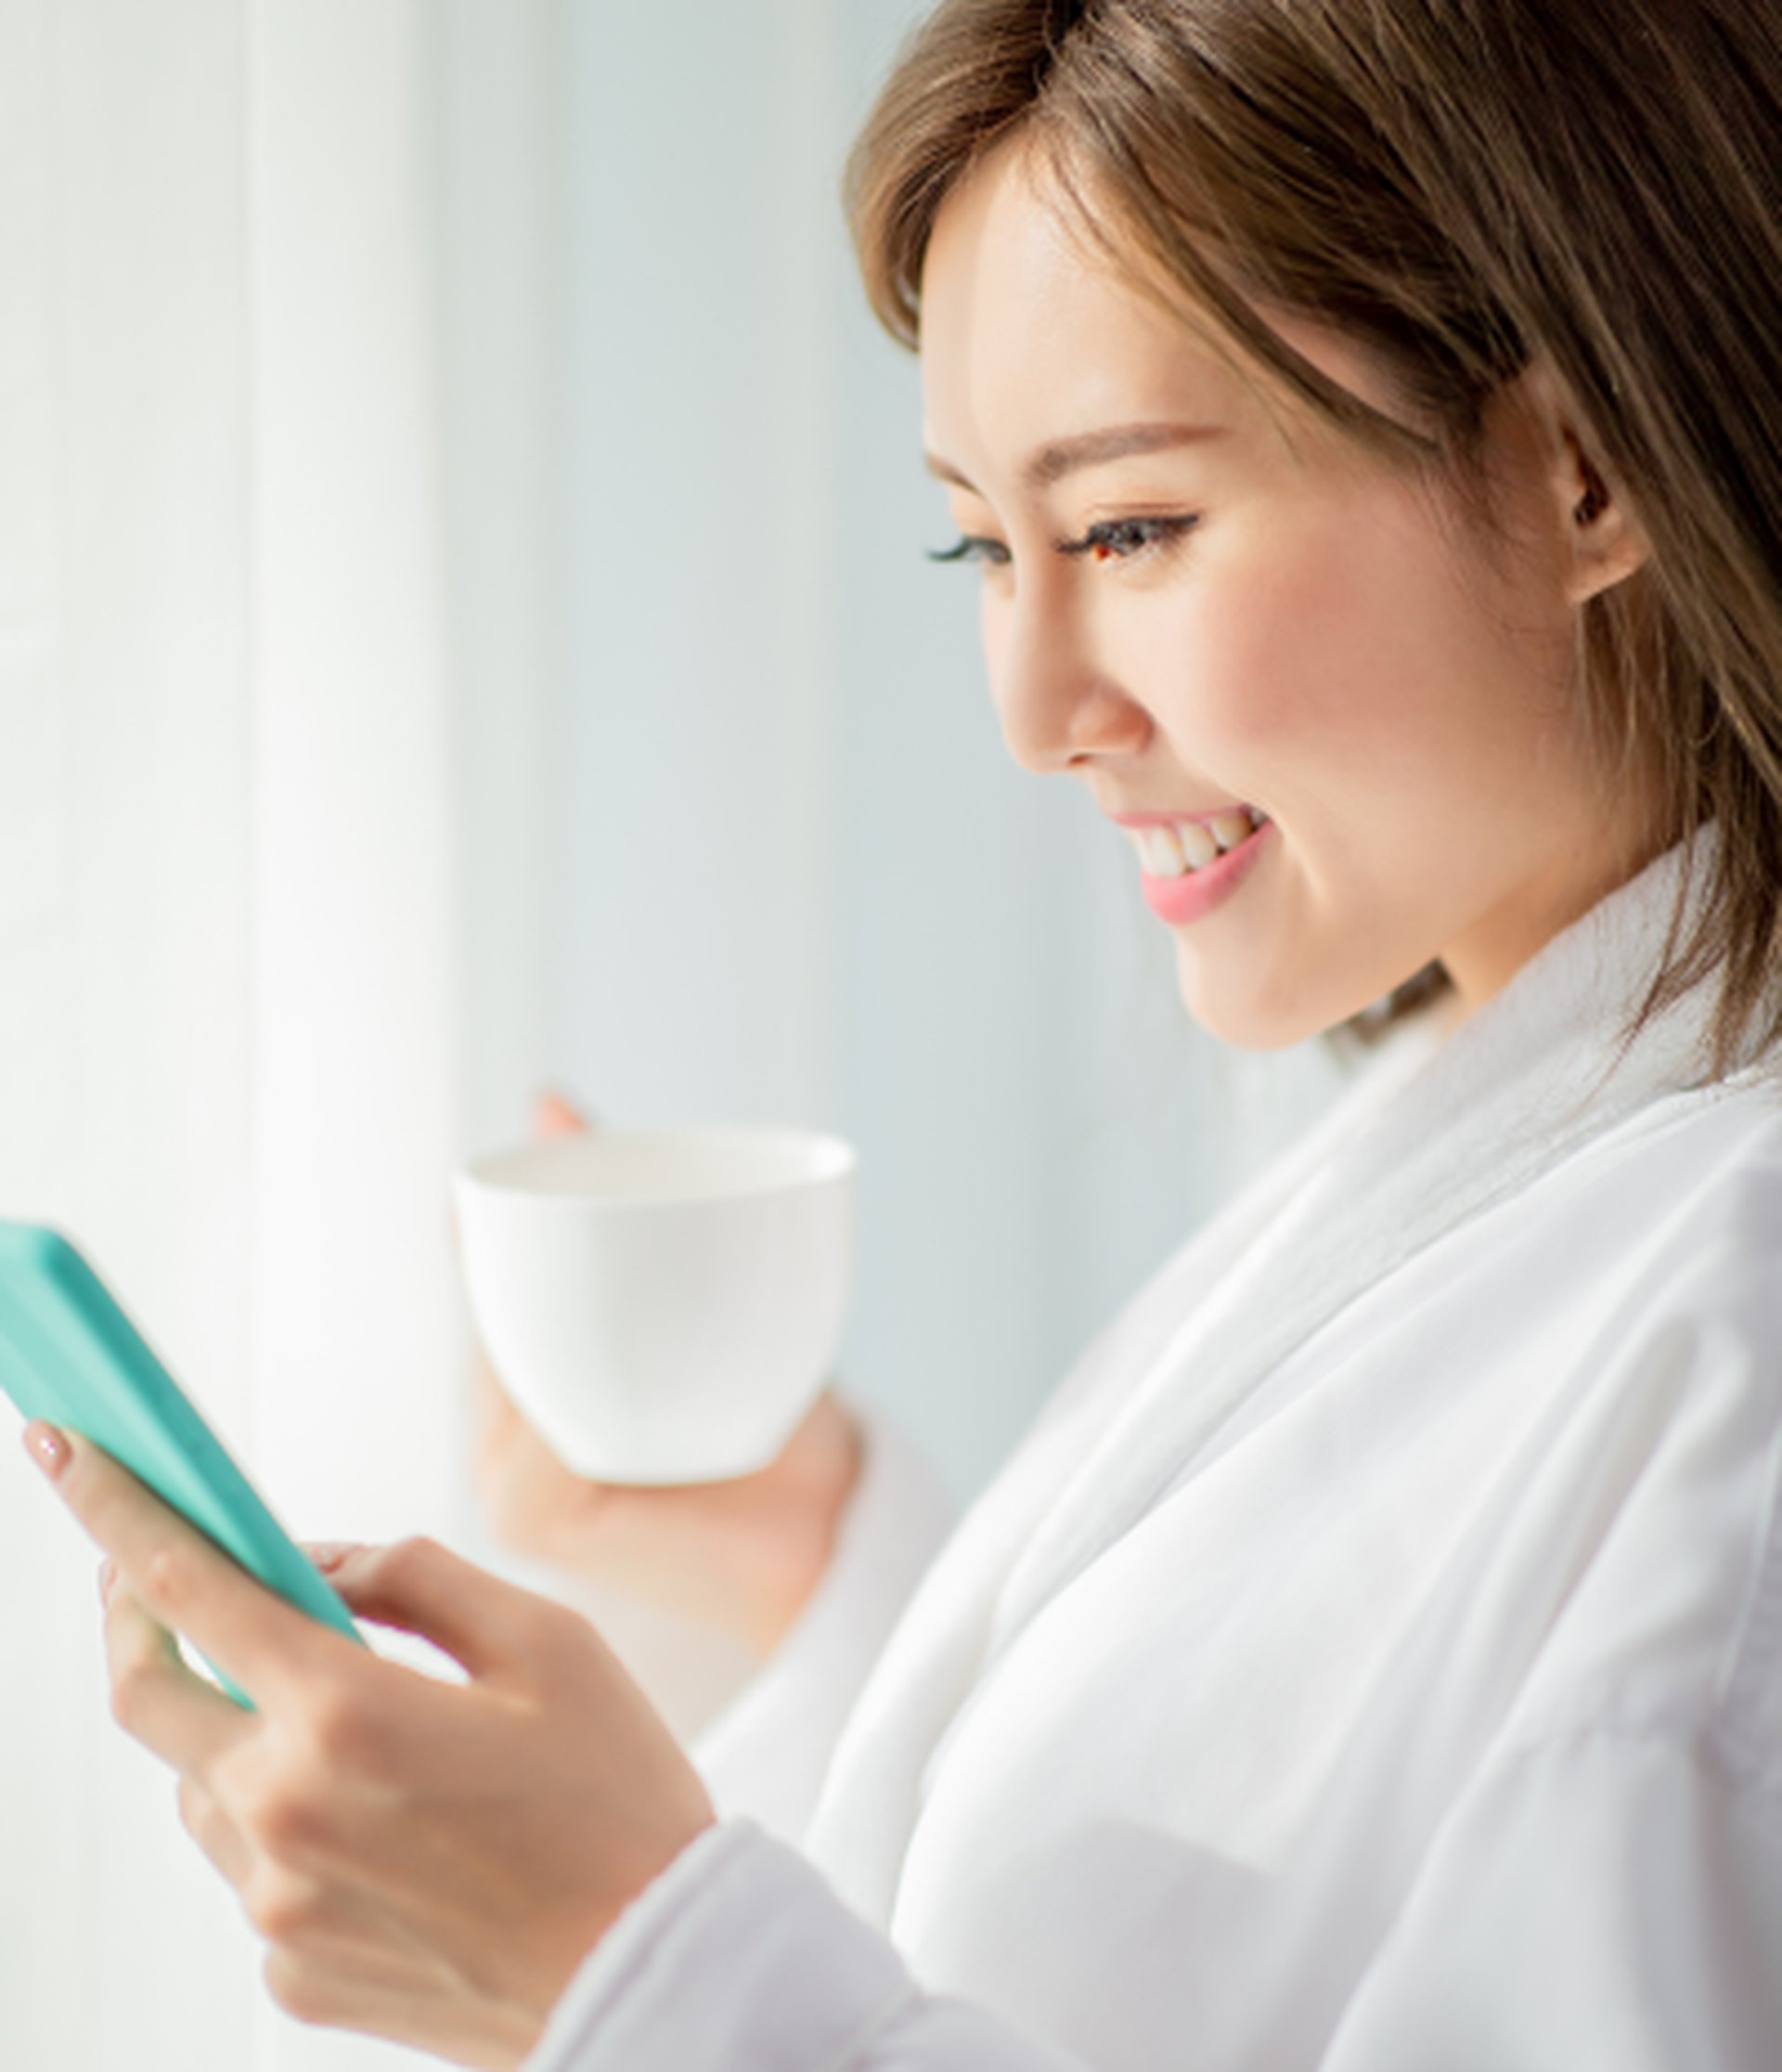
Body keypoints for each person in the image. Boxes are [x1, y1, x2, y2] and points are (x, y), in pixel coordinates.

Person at [26, 0, 1782, 2065]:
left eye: (1129, 529)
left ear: (1583, 470)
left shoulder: (1732, 1329)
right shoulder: (1499, 1137)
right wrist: (857, 1584)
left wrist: (626, 1967)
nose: (1033, 714)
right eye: (982, 544)